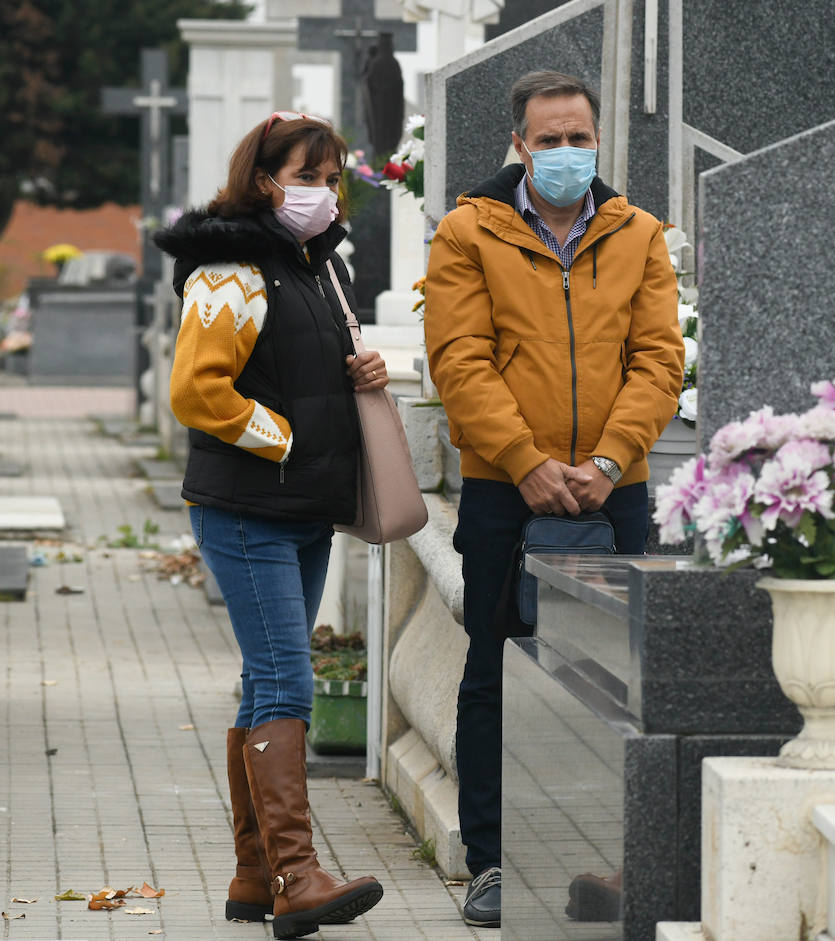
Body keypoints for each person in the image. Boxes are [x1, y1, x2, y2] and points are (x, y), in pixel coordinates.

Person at [424, 70, 684, 927]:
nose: (567, 152)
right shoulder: (467, 232)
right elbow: (461, 359)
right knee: (494, 667)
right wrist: (525, 459)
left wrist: (609, 461)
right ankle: (492, 862)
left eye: (580, 138)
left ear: (598, 140)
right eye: (550, 140)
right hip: (507, 493)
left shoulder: (640, 233)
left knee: (622, 681)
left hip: (617, 495)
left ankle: (612, 860)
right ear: (519, 145)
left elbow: (657, 360)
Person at [153, 112, 388, 941]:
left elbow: (296, 368)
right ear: (263, 180)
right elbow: (197, 390)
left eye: (332, 179)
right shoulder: (231, 269)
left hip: (304, 509)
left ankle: (255, 874)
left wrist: (360, 365)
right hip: (248, 507)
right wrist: (284, 439)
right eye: (307, 176)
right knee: (289, 680)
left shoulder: (315, 266)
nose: (322, 193)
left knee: (264, 683)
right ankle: (297, 876)